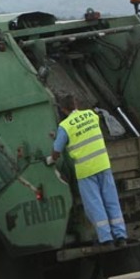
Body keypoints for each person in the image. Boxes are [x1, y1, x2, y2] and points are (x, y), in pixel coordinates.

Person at [46, 94, 128, 247]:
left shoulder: (65, 126)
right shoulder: (91, 115)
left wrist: (51, 159)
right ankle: (121, 236)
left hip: (86, 171)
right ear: (76, 104)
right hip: (103, 165)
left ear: (63, 110)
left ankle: (106, 239)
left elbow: (57, 149)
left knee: (95, 204)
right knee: (112, 201)